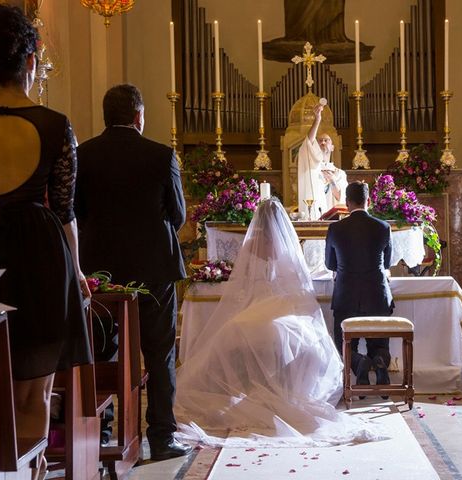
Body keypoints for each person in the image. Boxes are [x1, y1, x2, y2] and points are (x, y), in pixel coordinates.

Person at [0, 6, 92, 479]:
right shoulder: (56, 125)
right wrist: (77, 270)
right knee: (31, 392)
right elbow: (65, 213)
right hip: (39, 260)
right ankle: (31, 473)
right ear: (32, 59)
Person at [175, 198, 388, 446]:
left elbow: (242, 286)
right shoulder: (287, 247)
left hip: (253, 312)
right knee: (303, 338)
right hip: (282, 312)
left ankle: (249, 390)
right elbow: (299, 286)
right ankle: (285, 391)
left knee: (236, 333)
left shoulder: (251, 245)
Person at [74, 84, 190, 460]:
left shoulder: (84, 155)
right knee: (158, 354)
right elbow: (178, 214)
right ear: (139, 116)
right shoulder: (161, 156)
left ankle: (103, 432)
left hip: (100, 273)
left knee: (103, 352)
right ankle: (161, 437)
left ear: (106, 116)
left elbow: (76, 212)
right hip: (153, 269)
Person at [325, 181, 394, 397]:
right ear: (369, 200)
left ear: (346, 203)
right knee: (379, 339)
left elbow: (330, 264)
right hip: (377, 296)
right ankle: (380, 363)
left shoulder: (335, 228)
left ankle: (359, 363)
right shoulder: (383, 227)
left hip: (347, 297)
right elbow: (388, 262)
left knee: (344, 342)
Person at [297, 102, 347, 219]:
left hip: (334, 220)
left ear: (333, 147)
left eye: (327, 140)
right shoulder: (312, 168)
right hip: (314, 217)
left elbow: (341, 198)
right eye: (320, 141)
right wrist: (317, 119)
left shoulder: (339, 174)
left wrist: (333, 181)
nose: (323, 142)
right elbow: (308, 143)